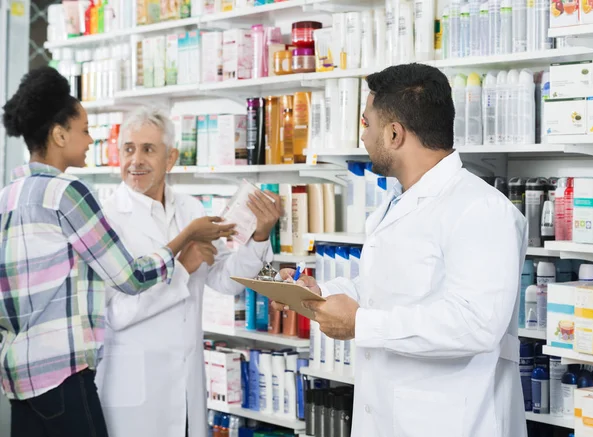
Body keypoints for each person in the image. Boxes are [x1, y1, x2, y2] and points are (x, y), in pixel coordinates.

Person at [275, 63, 528, 437]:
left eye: (366, 123)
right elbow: (386, 289)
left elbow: (476, 324)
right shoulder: (398, 203)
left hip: (453, 423)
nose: (362, 136)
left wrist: (360, 323)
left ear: (394, 134)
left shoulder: (480, 209)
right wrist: (321, 295)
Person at [0, 67, 235, 437]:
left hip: (21, 375)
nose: (92, 140)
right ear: (60, 135)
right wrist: (184, 244)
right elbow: (131, 278)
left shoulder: (9, 194)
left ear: (170, 158)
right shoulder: (69, 194)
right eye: (85, 130)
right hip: (64, 373)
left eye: (147, 149)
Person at [94, 106, 281, 437]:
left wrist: (261, 235)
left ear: (171, 158)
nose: (135, 160)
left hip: (187, 386)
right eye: (128, 149)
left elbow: (225, 280)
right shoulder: (106, 219)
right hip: (135, 391)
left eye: (148, 149)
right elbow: (117, 313)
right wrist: (182, 268)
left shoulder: (190, 209)